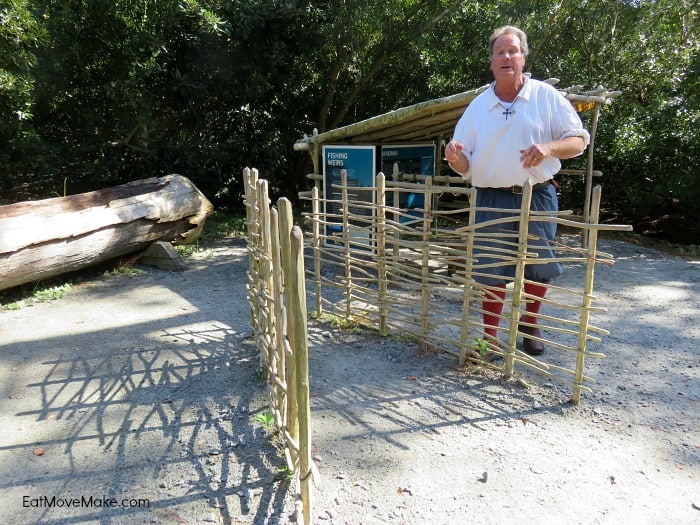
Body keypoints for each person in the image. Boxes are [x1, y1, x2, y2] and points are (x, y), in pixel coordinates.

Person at [444, 25, 590, 356]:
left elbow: (578, 140)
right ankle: (490, 338)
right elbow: (464, 164)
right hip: (491, 197)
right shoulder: (477, 107)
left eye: (513, 51)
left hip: (536, 193)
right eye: (500, 52)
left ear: (523, 57)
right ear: (492, 60)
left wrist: (550, 148)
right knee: (491, 268)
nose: (506, 57)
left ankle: (530, 322)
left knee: (540, 265)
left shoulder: (546, 97)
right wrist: (454, 159)